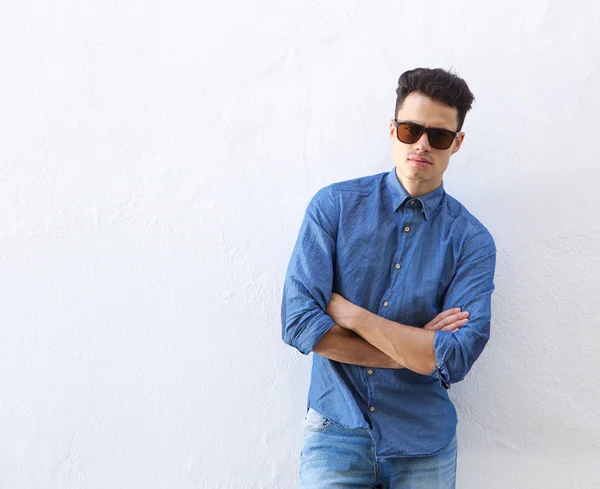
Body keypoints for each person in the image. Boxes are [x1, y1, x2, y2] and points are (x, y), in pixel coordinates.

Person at [281, 67, 497, 488]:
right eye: (410, 129)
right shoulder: (334, 208)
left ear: (457, 143)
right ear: (392, 129)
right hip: (336, 432)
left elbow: (455, 357)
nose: (421, 144)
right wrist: (416, 351)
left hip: (424, 444)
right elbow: (298, 323)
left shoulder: (472, 241)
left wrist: (351, 315)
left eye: (437, 136)